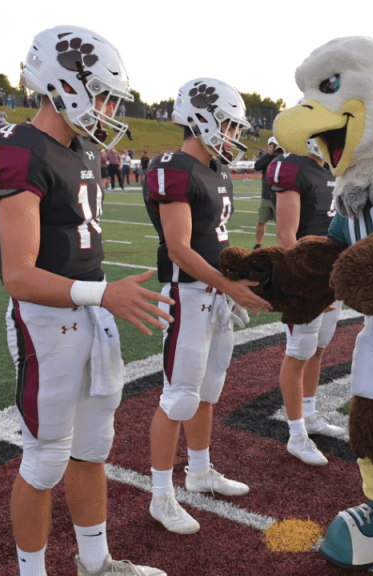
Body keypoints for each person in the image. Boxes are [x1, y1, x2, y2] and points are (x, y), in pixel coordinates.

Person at [0, 25, 170, 576]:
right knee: (44, 461)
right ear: (65, 85)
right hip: (46, 320)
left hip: (88, 313)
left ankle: (95, 563)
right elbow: (20, 276)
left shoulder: (81, 148)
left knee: (91, 451)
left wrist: (100, 298)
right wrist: (103, 293)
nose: (108, 109)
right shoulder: (15, 150)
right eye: (103, 94)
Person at [142, 78, 271, 534]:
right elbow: (178, 248)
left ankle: (198, 471)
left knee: (208, 390)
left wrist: (237, 278)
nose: (234, 135)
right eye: (229, 125)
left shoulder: (216, 170)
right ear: (201, 118)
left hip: (215, 293)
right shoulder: (172, 168)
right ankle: (160, 494)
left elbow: (214, 242)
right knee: (178, 397)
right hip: (189, 293)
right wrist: (226, 286)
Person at [266, 139, 347, 466]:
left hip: (329, 274)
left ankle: (311, 415)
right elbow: (286, 235)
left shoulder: (328, 168)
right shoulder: (293, 166)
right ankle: (296, 433)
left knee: (318, 348)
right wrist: (308, 284)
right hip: (307, 278)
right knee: (298, 351)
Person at [252, 136, 281, 249]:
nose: (274, 148)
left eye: (275, 146)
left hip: (279, 197)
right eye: (271, 145)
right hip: (266, 196)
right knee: (261, 221)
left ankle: (282, 245)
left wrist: (280, 154)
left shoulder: (282, 157)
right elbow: (257, 166)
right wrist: (268, 155)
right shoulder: (266, 157)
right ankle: (258, 244)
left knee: (281, 225)